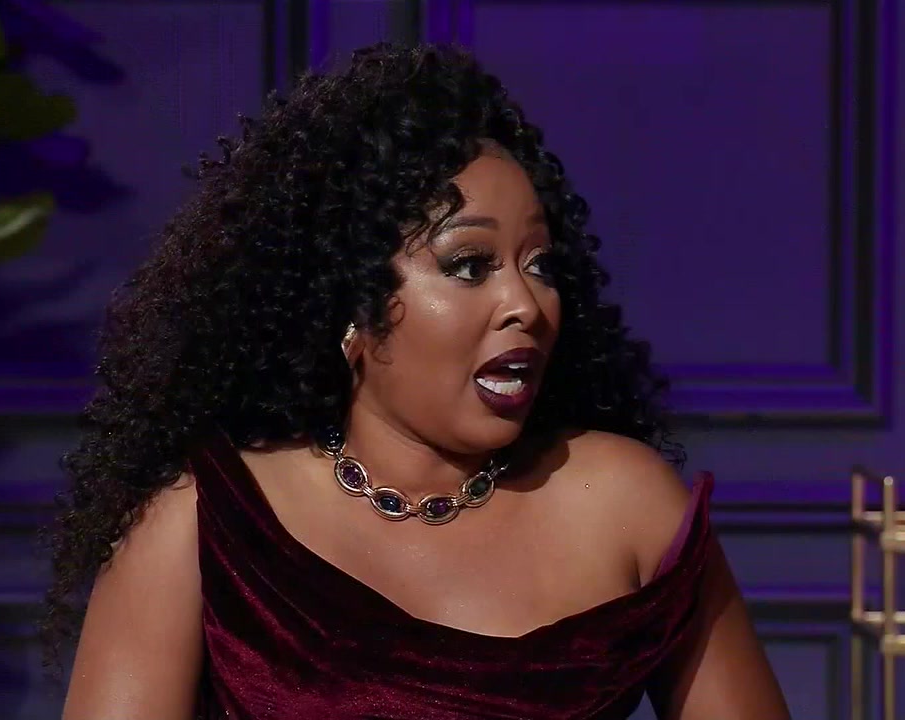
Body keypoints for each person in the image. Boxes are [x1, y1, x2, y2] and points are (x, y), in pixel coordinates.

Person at [46, 42, 790, 720]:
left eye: (539, 265)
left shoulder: (624, 503)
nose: (526, 305)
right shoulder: (201, 522)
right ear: (352, 300)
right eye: (469, 266)